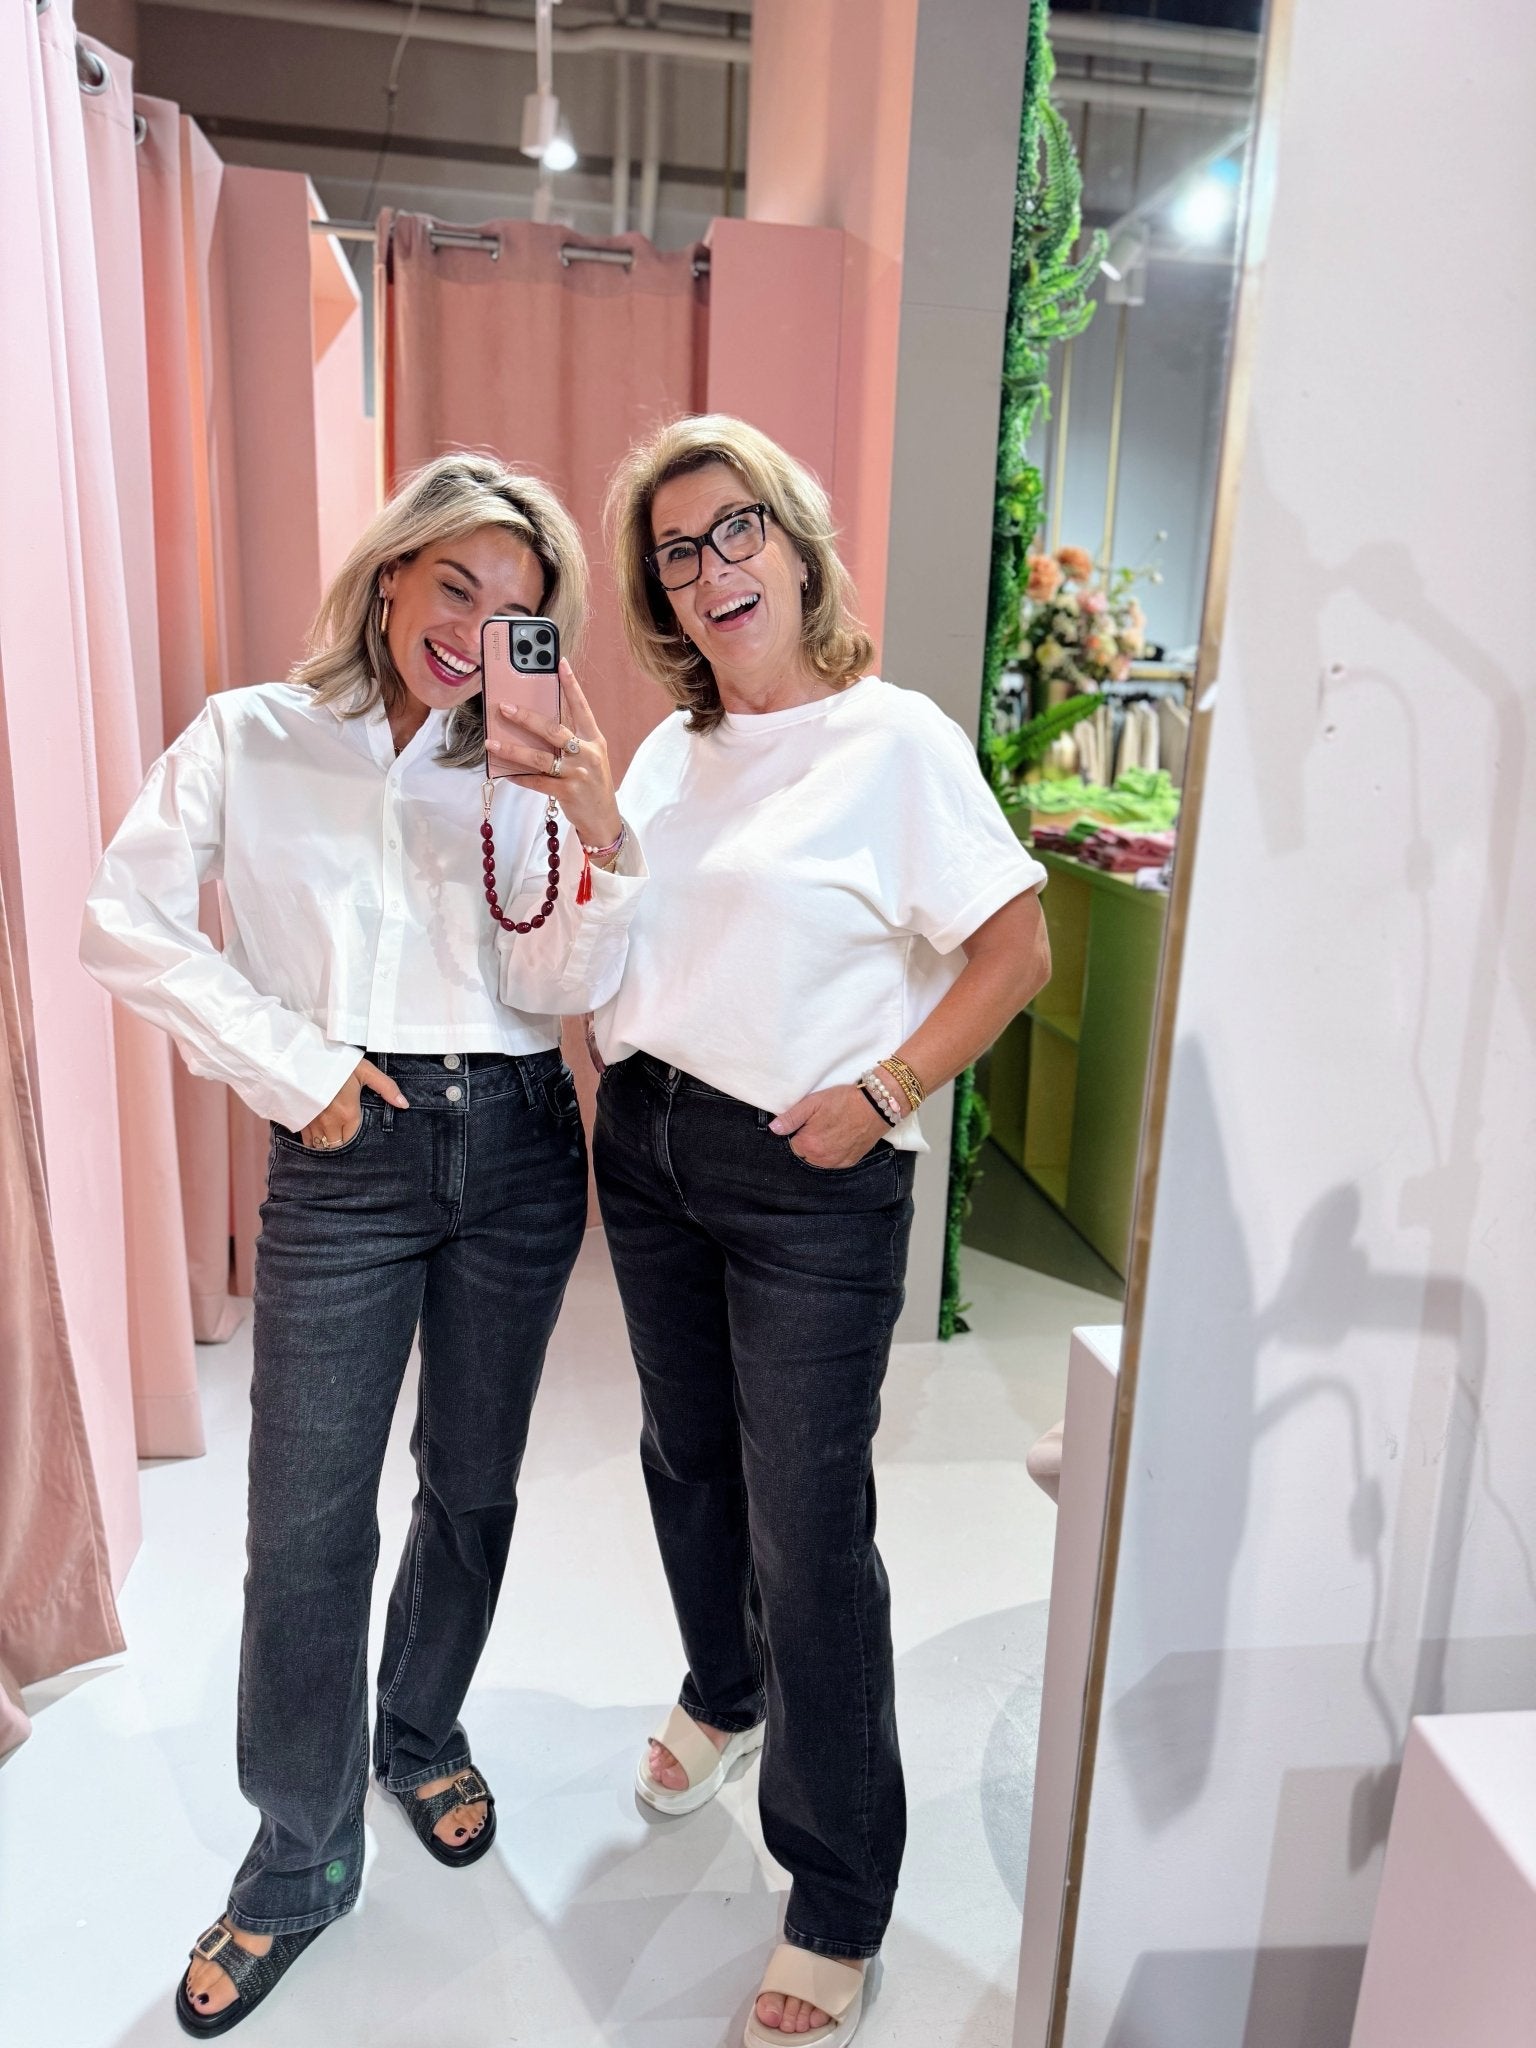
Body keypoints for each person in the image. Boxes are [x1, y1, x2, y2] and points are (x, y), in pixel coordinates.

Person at [81, 453, 643, 2037]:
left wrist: (590, 822)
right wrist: (294, 1068)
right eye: (454, 585)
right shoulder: (252, 734)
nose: (474, 629)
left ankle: (420, 1726)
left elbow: (567, 988)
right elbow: (124, 917)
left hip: (519, 1140)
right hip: (345, 1151)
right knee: (305, 1522)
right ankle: (300, 1851)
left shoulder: (521, 764)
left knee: (471, 1483)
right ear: (391, 575)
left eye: (517, 608)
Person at [594, 415, 1051, 2046]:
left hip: (809, 1168)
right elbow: (630, 931)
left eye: (736, 531)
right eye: (676, 552)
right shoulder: (668, 752)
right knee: (685, 1456)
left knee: (808, 1525)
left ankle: (839, 1892)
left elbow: (1015, 952)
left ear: (794, 544)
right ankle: (723, 1690)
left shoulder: (894, 740)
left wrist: (888, 1087)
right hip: (650, 1144)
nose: (710, 569)